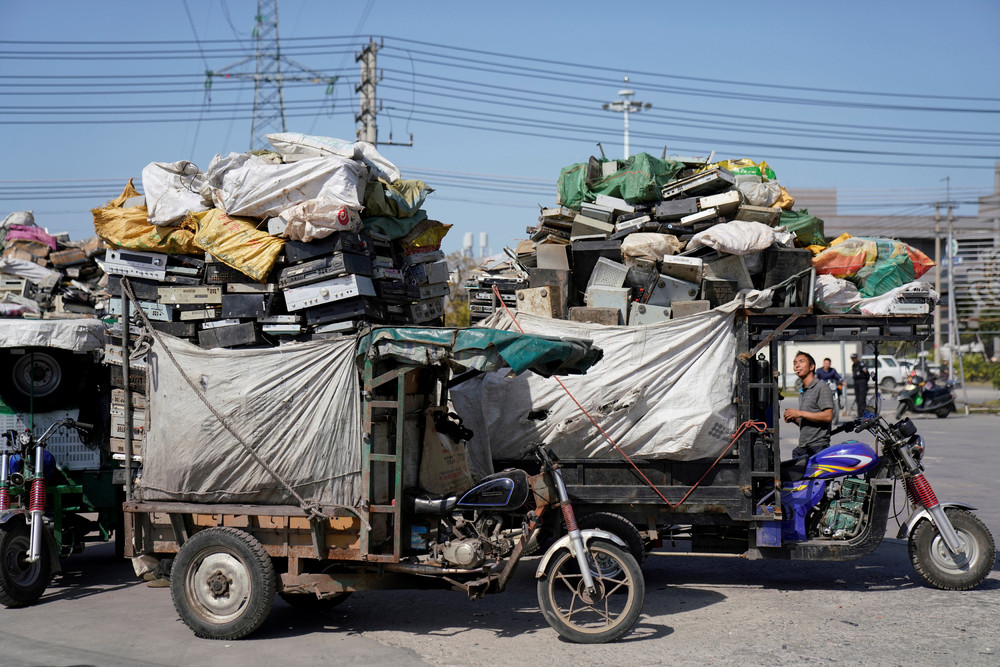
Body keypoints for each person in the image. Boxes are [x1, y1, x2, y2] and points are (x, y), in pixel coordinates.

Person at [783, 351, 834, 460]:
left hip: (817, 447)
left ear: (811, 367)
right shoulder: (803, 391)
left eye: (801, 362)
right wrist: (794, 418)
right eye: (795, 363)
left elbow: (828, 416)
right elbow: (808, 420)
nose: (797, 365)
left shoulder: (821, 388)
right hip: (803, 447)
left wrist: (799, 413)